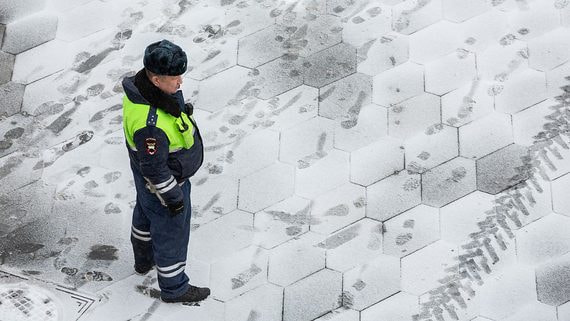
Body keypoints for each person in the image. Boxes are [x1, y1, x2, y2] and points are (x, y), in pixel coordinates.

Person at [121, 39, 210, 303]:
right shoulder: (151, 125)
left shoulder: (142, 91)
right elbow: (155, 169)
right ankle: (175, 288)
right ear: (157, 80)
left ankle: (143, 260)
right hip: (165, 186)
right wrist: (174, 199)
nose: (180, 82)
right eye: (174, 78)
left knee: (145, 214)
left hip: (144, 182)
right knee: (172, 234)